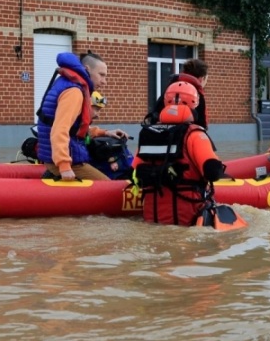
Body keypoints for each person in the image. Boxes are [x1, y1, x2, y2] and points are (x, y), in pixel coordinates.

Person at [131, 81, 246, 229]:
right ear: (194, 103)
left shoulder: (148, 134)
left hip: (153, 217)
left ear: (166, 101)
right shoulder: (195, 134)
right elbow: (212, 172)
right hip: (187, 217)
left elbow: (133, 172)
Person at [36, 52, 127, 181]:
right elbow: (59, 130)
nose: (104, 82)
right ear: (87, 69)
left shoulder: (66, 82)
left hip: (55, 156)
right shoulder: (74, 91)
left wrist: (105, 132)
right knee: (107, 188)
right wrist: (64, 166)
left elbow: (75, 128)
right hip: (67, 161)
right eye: (101, 75)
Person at [144, 58, 209, 129]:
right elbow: (202, 125)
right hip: (185, 135)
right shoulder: (196, 94)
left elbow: (156, 111)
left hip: (163, 132)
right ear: (202, 78)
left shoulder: (172, 87)